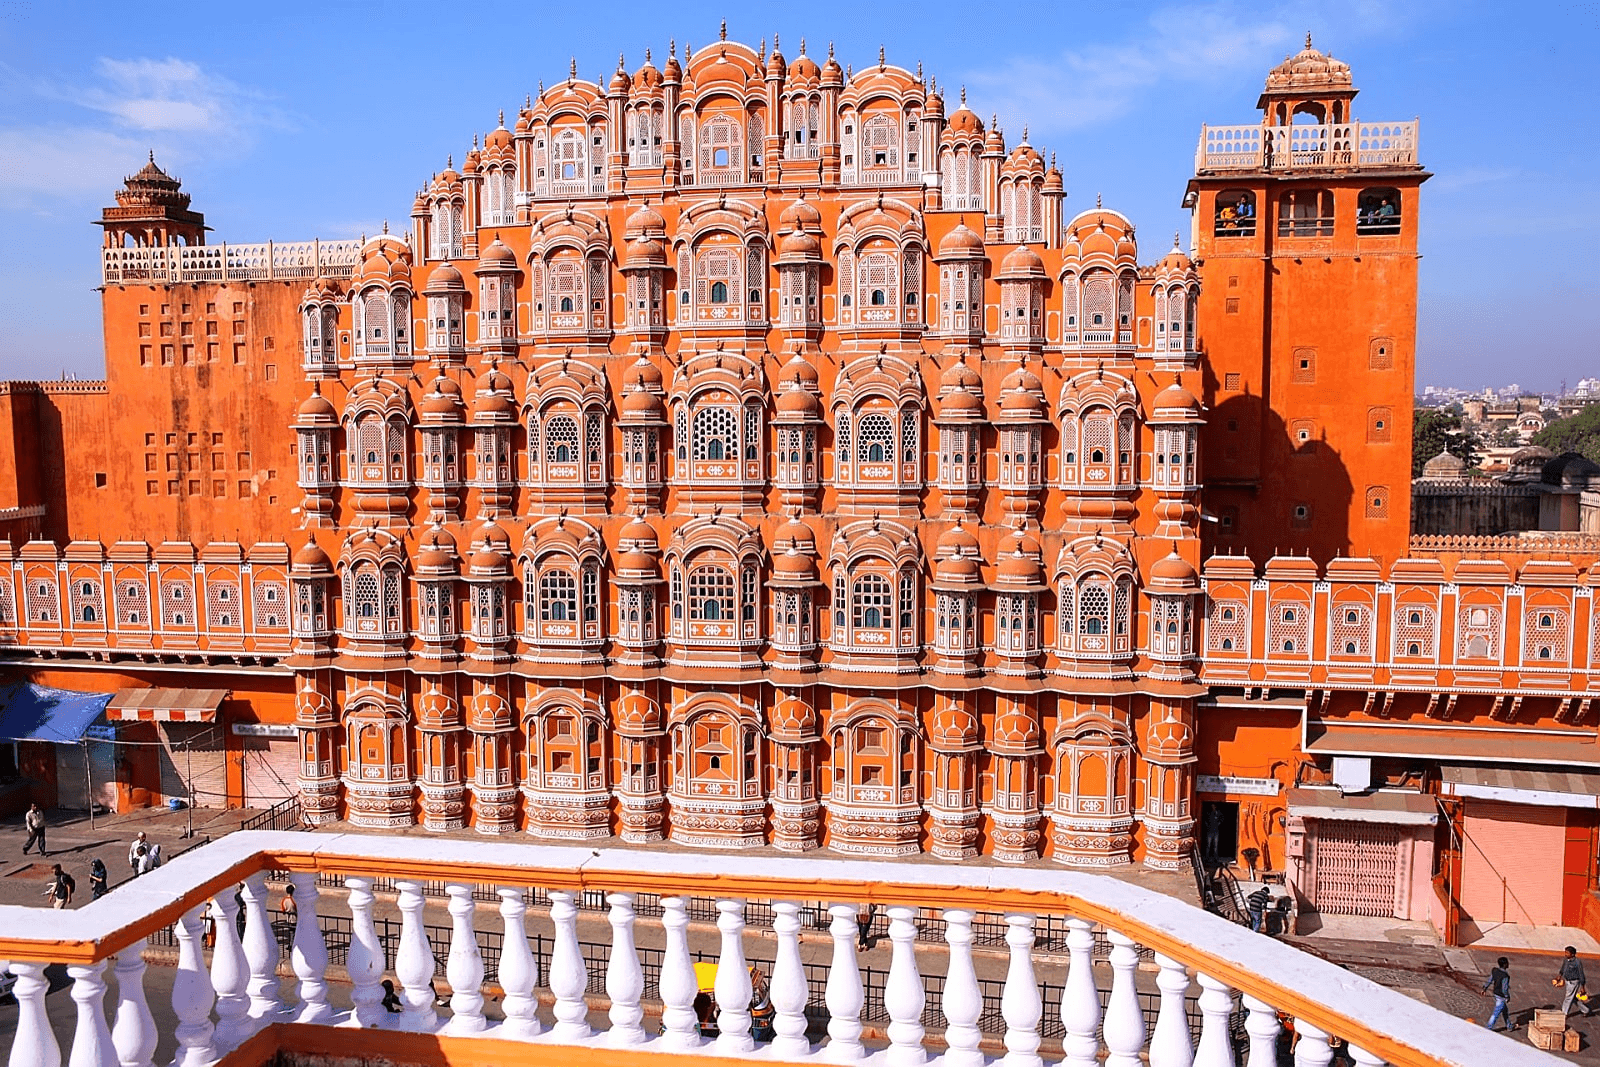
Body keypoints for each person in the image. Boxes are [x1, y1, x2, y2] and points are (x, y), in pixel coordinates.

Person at [1558, 945, 1593, 1017]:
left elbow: (1581, 974)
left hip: (1573, 982)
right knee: (1572, 998)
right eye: (1565, 952)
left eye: (1567, 953)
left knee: (1568, 997)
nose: (1565, 954)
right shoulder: (1566, 960)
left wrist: (1582, 986)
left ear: (1573, 954)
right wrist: (1559, 975)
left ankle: (1564, 1013)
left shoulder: (1577, 962)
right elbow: (1563, 968)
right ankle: (1585, 1010)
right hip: (1567, 981)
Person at [1481, 955, 1512, 1032]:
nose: (1508, 964)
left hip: (1495, 993)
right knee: (1495, 1014)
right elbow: (1504, 988)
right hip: (1501, 996)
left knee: (1505, 1011)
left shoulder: (1495, 971)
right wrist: (1507, 997)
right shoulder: (1505, 976)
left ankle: (1509, 1026)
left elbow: (1490, 980)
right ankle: (1488, 1028)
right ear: (1505, 964)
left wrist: (1485, 988)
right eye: (1507, 963)